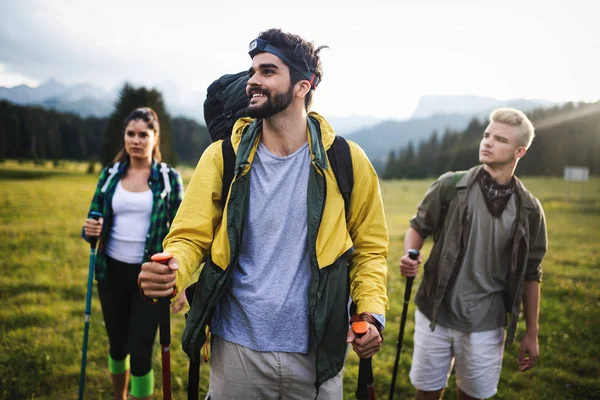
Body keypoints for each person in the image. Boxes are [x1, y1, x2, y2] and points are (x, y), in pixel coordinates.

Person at [138, 29, 389, 399]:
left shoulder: (347, 161)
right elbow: (190, 236)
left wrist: (368, 313)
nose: (253, 81)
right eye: (253, 70)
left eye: (268, 71)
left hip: (318, 351)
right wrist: (170, 269)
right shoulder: (223, 156)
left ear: (304, 86)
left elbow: (370, 250)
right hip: (237, 349)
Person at [399, 107, 548, 399]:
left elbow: (532, 274)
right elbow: (418, 228)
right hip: (435, 314)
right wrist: (411, 253)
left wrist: (531, 333)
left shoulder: (529, 210)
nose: (488, 142)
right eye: (486, 135)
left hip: (486, 323)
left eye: (500, 139)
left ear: (520, 151)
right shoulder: (451, 186)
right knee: (426, 394)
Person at [82, 107, 184, 400]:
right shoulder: (110, 174)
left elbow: (183, 231)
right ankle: (120, 397)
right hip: (110, 273)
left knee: (141, 353)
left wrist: (182, 280)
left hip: (149, 277)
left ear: (155, 138)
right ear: (124, 136)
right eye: (130, 133)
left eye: (143, 134)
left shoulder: (168, 179)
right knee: (117, 346)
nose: (136, 140)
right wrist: (90, 229)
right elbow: (92, 221)